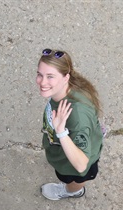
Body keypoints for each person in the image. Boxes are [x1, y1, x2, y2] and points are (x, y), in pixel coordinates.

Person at [36, 48, 103, 201]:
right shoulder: (65, 90)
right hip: (62, 150)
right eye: (40, 74)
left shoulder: (76, 115)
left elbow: (81, 166)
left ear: (66, 77)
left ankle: (71, 191)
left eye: (50, 76)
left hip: (72, 165)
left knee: (74, 180)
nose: (42, 82)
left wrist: (61, 132)